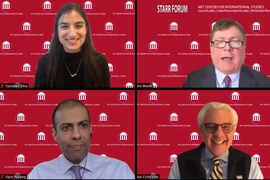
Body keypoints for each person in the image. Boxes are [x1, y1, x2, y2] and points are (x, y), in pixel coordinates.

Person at [28, 99, 134, 179]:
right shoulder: (39, 175)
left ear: (90, 129)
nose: (77, 135)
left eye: (83, 125)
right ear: (55, 135)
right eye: (66, 128)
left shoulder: (119, 171)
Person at [168, 102, 264, 179]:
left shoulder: (248, 163)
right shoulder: (182, 163)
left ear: (234, 130)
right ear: (201, 130)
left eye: (226, 127)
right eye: (211, 127)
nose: (219, 134)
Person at [34, 3, 110, 88]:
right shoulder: (45, 62)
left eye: (78, 26)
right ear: (57, 31)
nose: (72, 34)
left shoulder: (100, 61)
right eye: (64, 26)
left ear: (86, 29)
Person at [182, 18, 270, 88]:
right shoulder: (193, 81)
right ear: (211, 48)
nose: (227, 48)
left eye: (234, 42)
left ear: (244, 48)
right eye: (220, 42)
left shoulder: (264, 83)